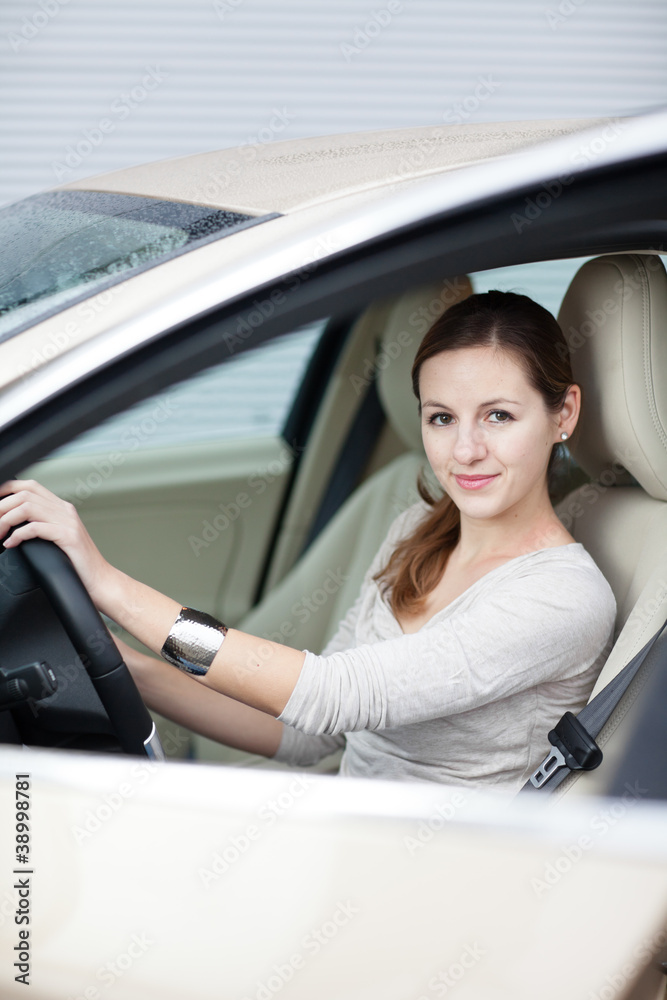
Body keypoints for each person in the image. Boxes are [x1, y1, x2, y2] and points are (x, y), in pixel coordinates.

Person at [0, 290, 617, 792]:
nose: (465, 451)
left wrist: (108, 585)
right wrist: (118, 664)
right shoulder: (417, 530)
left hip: (436, 885)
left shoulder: (562, 598)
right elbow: (310, 736)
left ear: (563, 414)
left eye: (499, 416)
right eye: (442, 417)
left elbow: (330, 696)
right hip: (346, 841)